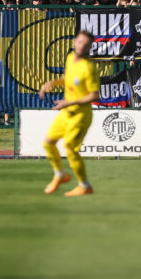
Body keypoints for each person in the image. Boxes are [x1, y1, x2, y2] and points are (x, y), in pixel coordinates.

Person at [37, 31, 100, 196]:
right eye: (80, 42)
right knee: (48, 143)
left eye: (86, 45)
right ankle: (60, 174)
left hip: (80, 116)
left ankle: (85, 186)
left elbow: (94, 95)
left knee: (70, 149)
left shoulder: (89, 68)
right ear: (74, 42)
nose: (82, 46)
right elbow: (68, 78)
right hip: (66, 112)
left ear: (90, 47)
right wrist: (52, 82)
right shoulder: (70, 58)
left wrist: (68, 102)